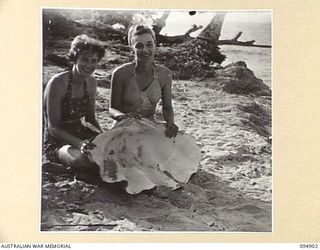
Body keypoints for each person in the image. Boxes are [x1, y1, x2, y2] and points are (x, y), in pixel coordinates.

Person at [43, 34, 105, 178]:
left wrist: (103, 136)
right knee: (84, 160)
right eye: (84, 59)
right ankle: (63, 168)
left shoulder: (91, 83)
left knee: (114, 151)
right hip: (58, 141)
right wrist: (79, 144)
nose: (89, 65)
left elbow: (90, 119)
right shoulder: (58, 83)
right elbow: (54, 128)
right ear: (75, 58)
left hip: (81, 134)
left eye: (93, 61)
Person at [109, 24, 179, 138]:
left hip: (149, 127)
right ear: (132, 48)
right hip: (124, 128)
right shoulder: (120, 73)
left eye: (149, 45)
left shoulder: (165, 74)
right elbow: (112, 109)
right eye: (139, 46)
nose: (145, 50)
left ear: (155, 44)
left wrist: (171, 123)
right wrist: (122, 117)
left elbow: (167, 107)